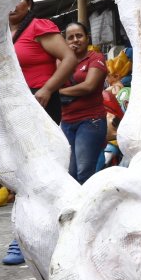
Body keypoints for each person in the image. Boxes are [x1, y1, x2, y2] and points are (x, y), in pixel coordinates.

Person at [1, 0, 76, 265]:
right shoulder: (1, 32)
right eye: (5, 0)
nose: (11, 5)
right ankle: (29, 233)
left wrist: (46, 89)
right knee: (21, 170)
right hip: (14, 103)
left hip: (40, 101)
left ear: (29, 3)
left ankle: (29, 237)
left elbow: (69, 58)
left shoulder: (38, 26)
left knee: (36, 170)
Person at [58, 22, 108, 183]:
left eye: (79, 36)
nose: (75, 40)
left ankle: (92, 208)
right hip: (66, 122)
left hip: (91, 121)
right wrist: (67, 59)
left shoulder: (96, 58)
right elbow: (57, 79)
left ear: (87, 38)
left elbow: (89, 86)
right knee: (70, 174)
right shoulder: (61, 61)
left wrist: (59, 93)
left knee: (84, 172)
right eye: (70, 37)